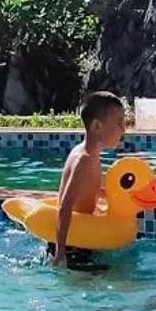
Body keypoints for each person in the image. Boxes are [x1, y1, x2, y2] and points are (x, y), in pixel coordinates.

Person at [51, 91, 127, 268]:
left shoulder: (88, 154)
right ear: (97, 126)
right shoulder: (84, 159)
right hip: (72, 246)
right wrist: (60, 251)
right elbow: (65, 206)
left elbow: (88, 190)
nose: (124, 129)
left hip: (78, 240)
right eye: (119, 122)